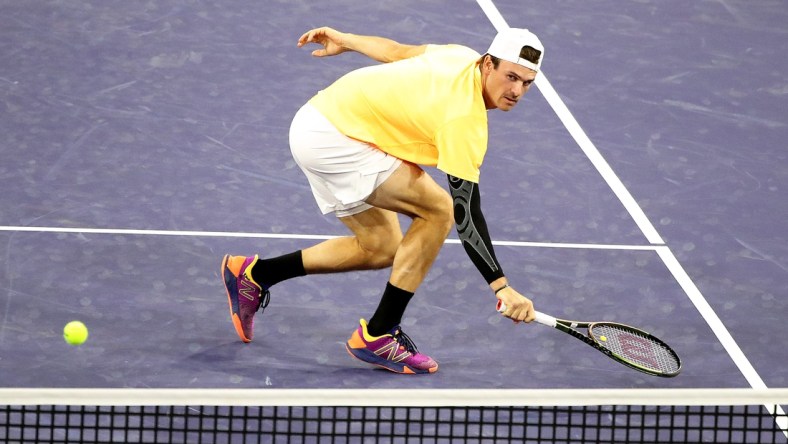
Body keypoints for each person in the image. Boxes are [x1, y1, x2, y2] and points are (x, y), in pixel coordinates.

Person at [221, 26, 544, 375]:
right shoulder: (463, 119)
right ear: (487, 65)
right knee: (438, 212)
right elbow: (466, 214)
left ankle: (254, 274)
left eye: (527, 83)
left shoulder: (459, 56)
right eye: (511, 76)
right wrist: (502, 287)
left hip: (319, 120)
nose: (516, 90)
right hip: (337, 138)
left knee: (381, 246)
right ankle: (378, 334)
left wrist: (347, 39)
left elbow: (396, 52)